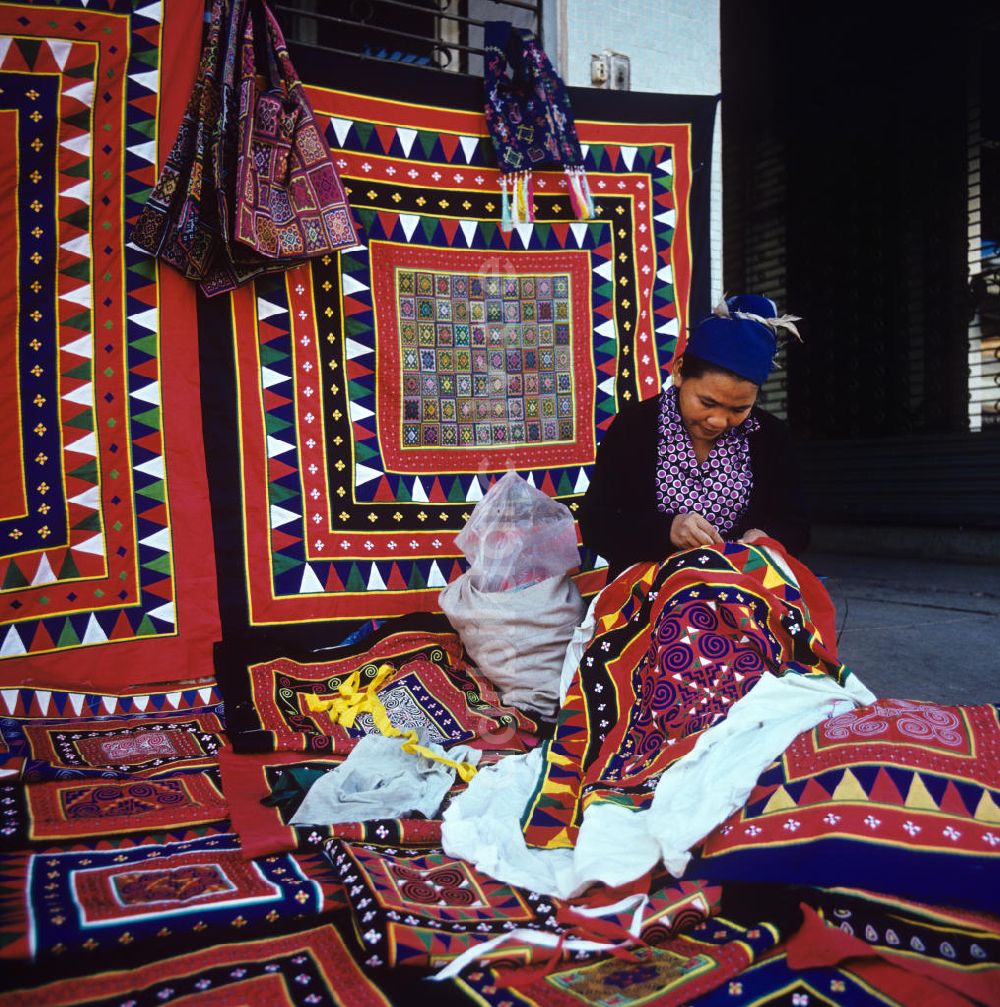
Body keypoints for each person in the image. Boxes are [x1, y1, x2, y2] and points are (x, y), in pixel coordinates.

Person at [579, 294, 809, 581]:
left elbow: (796, 524)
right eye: (707, 402)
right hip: (648, 590)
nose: (718, 421)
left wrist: (765, 538)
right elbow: (595, 523)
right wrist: (666, 531)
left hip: (743, 588)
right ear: (679, 372)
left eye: (739, 409)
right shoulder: (633, 427)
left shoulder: (771, 437)